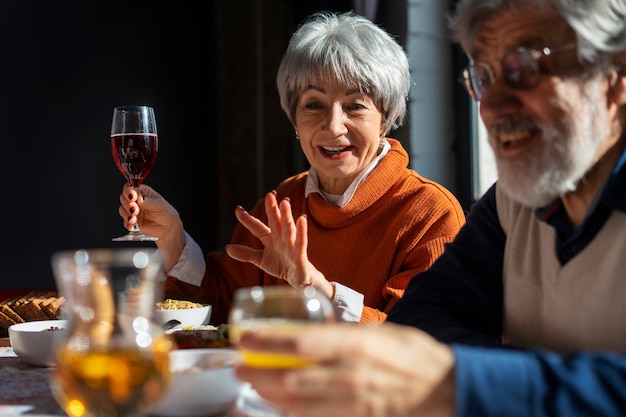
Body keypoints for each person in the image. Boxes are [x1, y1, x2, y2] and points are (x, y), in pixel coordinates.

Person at [233, 0, 626, 416]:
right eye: (485, 78)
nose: (490, 107)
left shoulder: (433, 208)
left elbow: (428, 355)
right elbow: (422, 318)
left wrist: (458, 380)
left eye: (524, 68)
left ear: (616, 74)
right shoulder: (513, 203)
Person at [117, 11, 465, 325]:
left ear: (386, 118)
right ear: (294, 118)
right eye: (314, 104)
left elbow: (420, 343)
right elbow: (223, 306)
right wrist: (173, 238)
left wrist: (318, 289)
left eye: (355, 106)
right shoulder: (281, 202)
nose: (333, 126)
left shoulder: (430, 214)